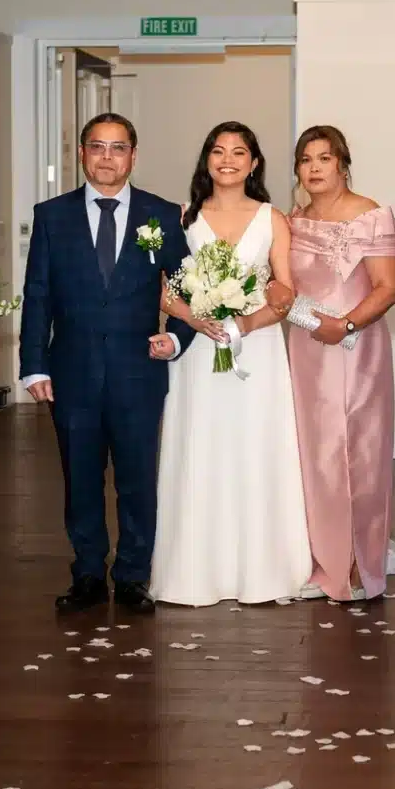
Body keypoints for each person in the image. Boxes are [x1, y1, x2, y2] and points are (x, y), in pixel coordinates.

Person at [19, 112, 195, 615]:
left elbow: (186, 289)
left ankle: (135, 576)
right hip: (71, 370)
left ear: (133, 156)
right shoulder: (52, 215)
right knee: (80, 477)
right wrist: (34, 363)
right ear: (82, 153)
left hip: (138, 370)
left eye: (118, 148)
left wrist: (177, 339)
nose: (107, 158)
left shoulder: (161, 214)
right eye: (97, 147)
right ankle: (88, 573)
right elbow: (38, 293)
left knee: (137, 477)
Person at [149, 122, 311, 607]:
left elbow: (285, 293)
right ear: (206, 160)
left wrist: (246, 323)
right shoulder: (183, 219)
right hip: (199, 353)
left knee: (254, 447)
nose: (228, 160)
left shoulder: (272, 219)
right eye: (218, 151)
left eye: (239, 152)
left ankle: (261, 568)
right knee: (201, 446)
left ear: (254, 163)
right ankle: (195, 570)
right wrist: (192, 318)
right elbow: (166, 290)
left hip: (256, 352)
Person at [286, 126, 395, 602]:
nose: (314, 168)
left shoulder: (369, 215)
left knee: (357, 457)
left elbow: (389, 288)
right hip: (306, 351)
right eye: (306, 160)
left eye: (324, 159)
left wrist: (347, 326)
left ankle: (358, 564)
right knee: (314, 457)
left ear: (342, 164)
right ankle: (324, 562)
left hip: (356, 352)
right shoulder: (294, 220)